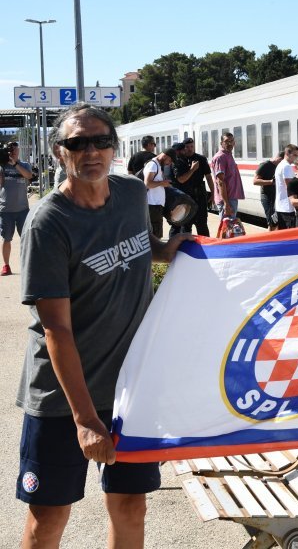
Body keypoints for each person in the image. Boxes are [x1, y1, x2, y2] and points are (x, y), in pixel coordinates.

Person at [15, 103, 190, 549]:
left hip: (129, 391)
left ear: (114, 147)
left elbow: (136, 240)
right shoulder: (50, 222)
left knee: (131, 506)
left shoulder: (131, 193)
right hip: (63, 399)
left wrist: (164, 250)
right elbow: (56, 329)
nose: (90, 151)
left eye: (100, 141)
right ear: (59, 153)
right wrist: (86, 419)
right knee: (49, 518)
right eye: (77, 143)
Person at [1, 142, 33, 276]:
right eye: (10, 149)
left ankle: (28, 265)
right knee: (6, 238)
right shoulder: (2, 166)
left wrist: (15, 164)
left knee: (26, 238)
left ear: (19, 150)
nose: (13, 151)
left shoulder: (24, 165)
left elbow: (29, 176)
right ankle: (6, 266)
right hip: (6, 209)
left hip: (22, 210)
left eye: (15, 149)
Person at [171, 138, 213, 237]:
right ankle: (186, 249)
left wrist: (213, 193)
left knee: (202, 224)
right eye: (187, 147)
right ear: (183, 148)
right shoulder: (179, 160)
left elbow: (208, 177)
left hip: (200, 196)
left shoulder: (201, 159)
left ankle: (206, 247)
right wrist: (192, 169)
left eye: (192, 147)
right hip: (186, 198)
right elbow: (181, 179)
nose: (190, 149)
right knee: (186, 226)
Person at [143, 149, 175, 239]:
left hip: (155, 205)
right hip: (152, 205)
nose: (170, 163)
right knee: (155, 236)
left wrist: (163, 183)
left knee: (156, 235)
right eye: (170, 160)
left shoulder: (157, 165)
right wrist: (162, 183)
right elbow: (147, 183)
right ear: (165, 156)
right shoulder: (153, 165)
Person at [211, 132, 244, 218]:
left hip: (231, 198)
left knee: (229, 229)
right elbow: (220, 182)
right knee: (226, 228)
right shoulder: (220, 157)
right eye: (226, 141)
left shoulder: (228, 155)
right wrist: (226, 203)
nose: (229, 143)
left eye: (231, 141)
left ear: (234, 142)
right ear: (221, 143)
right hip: (226, 200)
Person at [273, 144, 298, 229]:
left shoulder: (281, 165)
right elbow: (290, 187)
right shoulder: (287, 167)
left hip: (281, 206)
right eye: (295, 155)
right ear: (287, 153)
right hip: (287, 207)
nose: (296, 158)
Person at [254, 153, 283, 230]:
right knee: (272, 223)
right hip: (268, 197)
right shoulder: (265, 165)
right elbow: (255, 181)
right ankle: (270, 240)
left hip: (276, 197)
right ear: (279, 159)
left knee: (277, 223)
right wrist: (271, 182)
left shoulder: (279, 166)